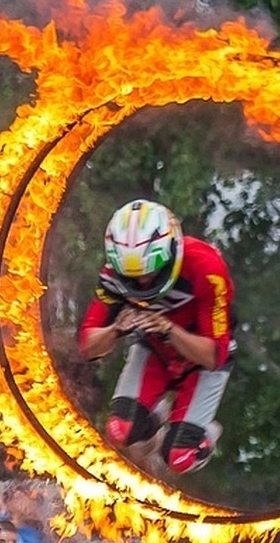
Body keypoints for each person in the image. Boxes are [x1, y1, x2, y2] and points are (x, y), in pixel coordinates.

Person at [78, 199, 236, 475]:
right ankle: (157, 416)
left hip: (201, 360)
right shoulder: (112, 275)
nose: (142, 283)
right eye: (132, 276)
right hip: (154, 350)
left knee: (178, 458)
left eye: (150, 272)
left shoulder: (207, 269)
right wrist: (117, 329)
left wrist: (167, 329)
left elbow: (214, 356)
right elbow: (89, 346)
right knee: (119, 431)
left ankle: (205, 433)